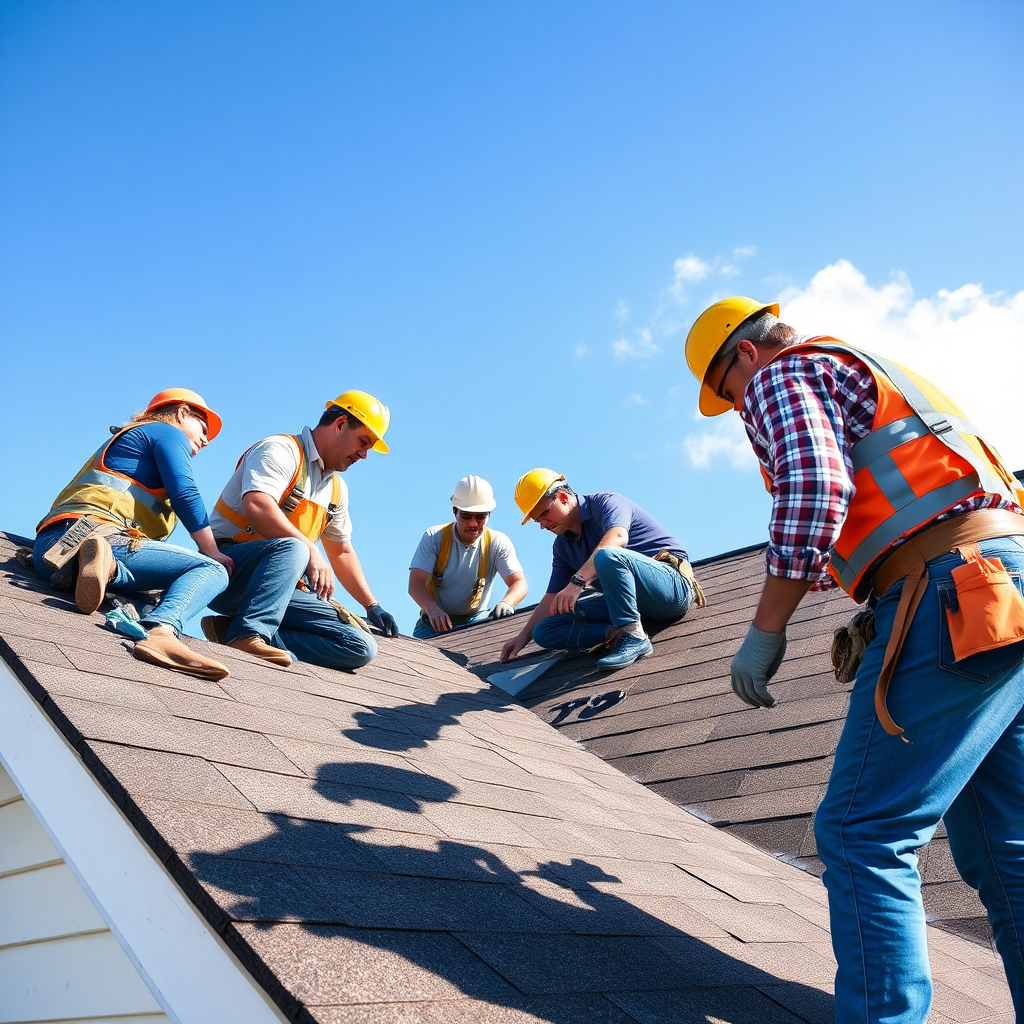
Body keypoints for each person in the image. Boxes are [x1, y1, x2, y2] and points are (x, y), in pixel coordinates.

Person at [685, 295, 1024, 1024]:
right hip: (1007, 584)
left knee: (862, 830)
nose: (739, 410)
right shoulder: (871, 369)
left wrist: (767, 627)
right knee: (1008, 853)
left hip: (952, 588)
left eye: (728, 393)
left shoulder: (782, 374)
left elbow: (814, 485)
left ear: (744, 356)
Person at [32, 389, 233, 681]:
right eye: (203, 428)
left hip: (51, 551)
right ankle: (162, 631)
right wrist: (212, 551)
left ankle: (105, 569)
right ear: (181, 413)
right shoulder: (166, 432)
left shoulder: (130, 441)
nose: (206, 439)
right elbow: (185, 493)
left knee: (155, 595)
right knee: (211, 570)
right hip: (97, 534)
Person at [200, 390, 399, 671]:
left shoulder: (336, 490)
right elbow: (256, 505)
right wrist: (309, 549)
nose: (364, 455)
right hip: (228, 571)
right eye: (363, 442)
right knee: (294, 547)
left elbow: (341, 550)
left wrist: (372, 605)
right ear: (340, 424)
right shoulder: (280, 450)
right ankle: (247, 634)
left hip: (277, 588)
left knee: (359, 646)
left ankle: (232, 631)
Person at [500, 470, 702, 670]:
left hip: (672, 589)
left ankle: (634, 636)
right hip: (630, 604)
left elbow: (617, 538)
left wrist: (577, 582)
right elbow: (552, 596)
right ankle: (617, 633)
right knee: (544, 630)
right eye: (537, 521)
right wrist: (524, 636)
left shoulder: (607, 503)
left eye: (544, 514)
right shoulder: (562, 546)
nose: (543, 525)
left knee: (607, 555)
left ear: (562, 497)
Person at [408, 475, 527, 638]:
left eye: (480, 516)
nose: (473, 523)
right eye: (466, 516)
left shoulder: (497, 542)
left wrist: (507, 603)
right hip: (434, 623)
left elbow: (519, 582)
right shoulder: (434, 537)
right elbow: (415, 583)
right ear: (455, 511)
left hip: (476, 620)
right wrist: (432, 609)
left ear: (489, 514)